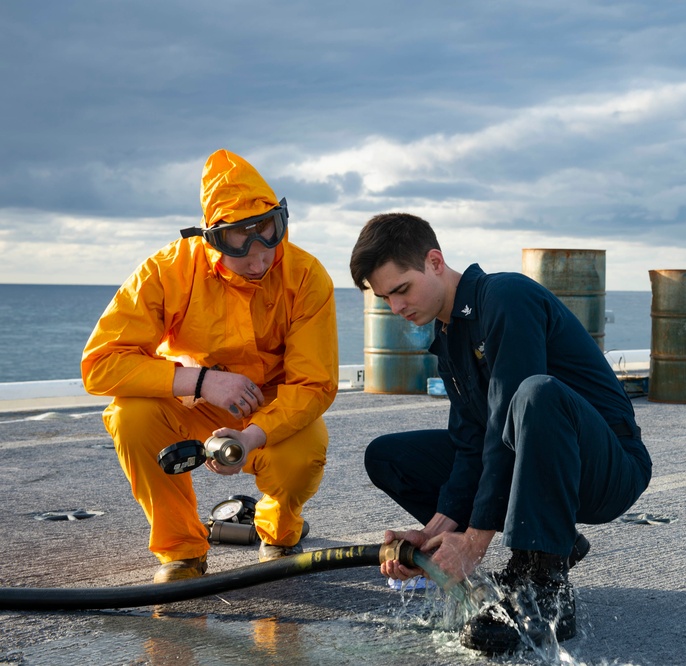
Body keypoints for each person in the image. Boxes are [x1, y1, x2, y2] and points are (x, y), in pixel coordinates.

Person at [349, 213, 652, 654]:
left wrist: (473, 543)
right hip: (539, 461)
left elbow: (514, 417)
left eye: (401, 290)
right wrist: (434, 533)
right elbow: (473, 443)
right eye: (385, 298)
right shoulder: (449, 334)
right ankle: (550, 543)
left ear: (435, 261)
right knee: (388, 456)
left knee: (536, 395)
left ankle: (543, 588)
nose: (396, 308)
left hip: (606, 466)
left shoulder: (504, 297)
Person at [82, 149, 338, 584]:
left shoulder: (307, 276)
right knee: (131, 415)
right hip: (192, 407)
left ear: (280, 222)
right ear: (211, 239)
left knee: (305, 449)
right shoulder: (164, 272)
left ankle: (279, 530)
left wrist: (251, 435)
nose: (260, 262)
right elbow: (100, 366)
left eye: (269, 240)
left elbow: (313, 384)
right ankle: (182, 552)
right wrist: (200, 381)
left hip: (269, 416)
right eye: (244, 250)